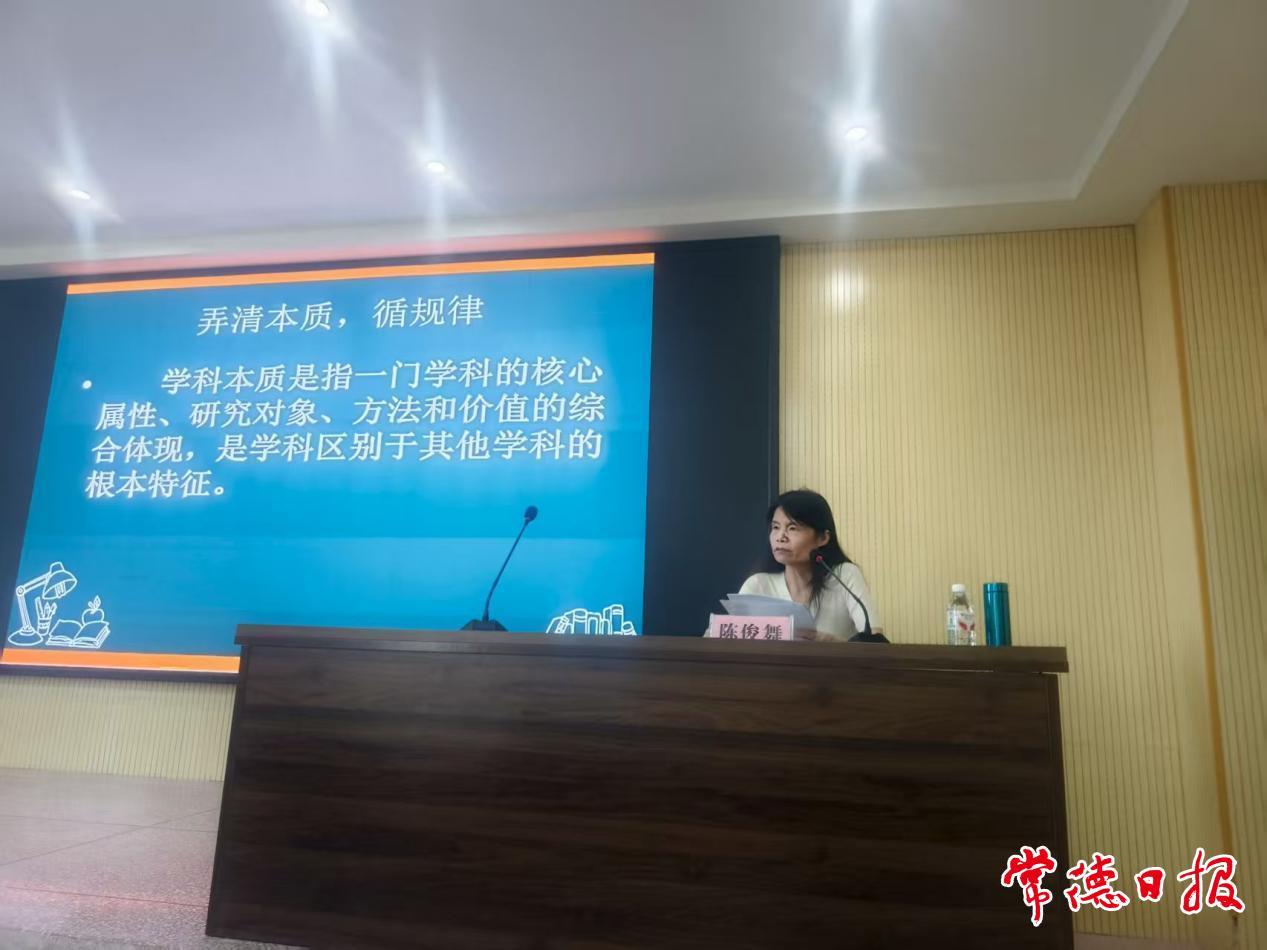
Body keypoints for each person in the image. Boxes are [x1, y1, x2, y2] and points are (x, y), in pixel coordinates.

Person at [739, 489, 887, 642]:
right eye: (775, 527)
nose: (780, 537)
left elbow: (875, 643)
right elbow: (732, 641)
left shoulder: (844, 575)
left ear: (822, 538)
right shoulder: (758, 585)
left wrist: (831, 642)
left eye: (792, 528)